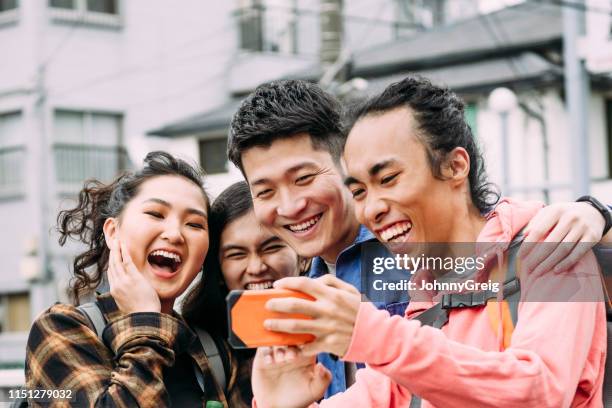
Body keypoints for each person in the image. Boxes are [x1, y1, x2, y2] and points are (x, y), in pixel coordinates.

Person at [227, 79, 611, 397]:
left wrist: (598, 212)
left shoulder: (550, 248)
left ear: (455, 165)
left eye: (388, 179)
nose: (372, 207)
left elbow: (540, 392)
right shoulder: (425, 293)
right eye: (359, 190)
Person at [25, 152, 246, 407]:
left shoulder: (216, 351)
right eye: (155, 213)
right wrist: (145, 323)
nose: (175, 234)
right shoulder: (61, 329)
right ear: (113, 231)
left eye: (194, 224)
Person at [182, 180, 307, 404]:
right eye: (237, 254)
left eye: (271, 248)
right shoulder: (197, 349)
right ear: (218, 270)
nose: (256, 267)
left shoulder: (334, 331)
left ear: (303, 255)